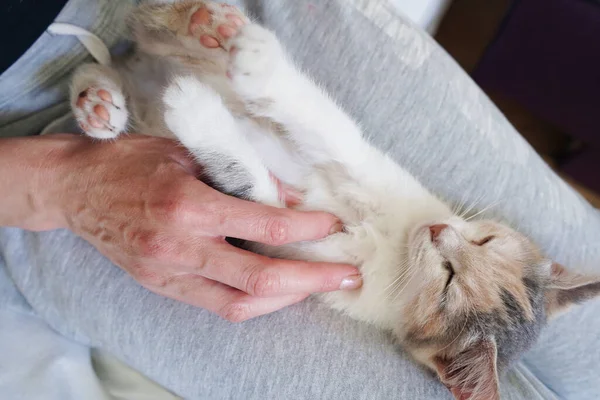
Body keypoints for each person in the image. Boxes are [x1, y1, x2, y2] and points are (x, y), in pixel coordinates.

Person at [1, 0, 599, 399]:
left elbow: (264, 222)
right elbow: (343, 148)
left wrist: (223, 145)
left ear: (447, 361)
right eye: (485, 238)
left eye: (448, 279)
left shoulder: (394, 298)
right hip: (31, 110)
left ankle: (118, 102)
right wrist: (53, 183)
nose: (447, 234)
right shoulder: (437, 238)